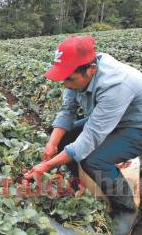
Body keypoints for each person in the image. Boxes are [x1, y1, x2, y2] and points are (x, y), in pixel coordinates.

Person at [24, 35, 142, 234]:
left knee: (94, 159)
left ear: (91, 70)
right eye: (63, 78)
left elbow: (90, 138)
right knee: (63, 138)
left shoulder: (116, 84)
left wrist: (46, 165)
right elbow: (67, 110)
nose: (65, 84)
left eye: (69, 79)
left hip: (135, 126)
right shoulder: (77, 73)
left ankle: (126, 209)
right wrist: (51, 145)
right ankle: (78, 182)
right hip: (108, 118)